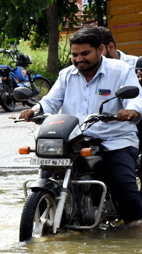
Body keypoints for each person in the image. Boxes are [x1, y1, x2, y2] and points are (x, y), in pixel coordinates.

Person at [19, 26, 142, 224]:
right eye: (74, 55)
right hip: (75, 139)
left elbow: (135, 97)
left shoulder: (121, 70)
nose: (79, 59)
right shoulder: (66, 75)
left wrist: (131, 110)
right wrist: (35, 110)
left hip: (115, 138)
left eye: (85, 53)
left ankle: (136, 228)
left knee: (122, 184)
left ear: (100, 49)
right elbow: (51, 101)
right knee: (48, 172)